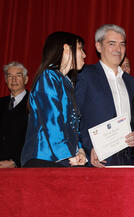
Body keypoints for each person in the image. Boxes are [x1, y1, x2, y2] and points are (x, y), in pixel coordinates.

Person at [21, 32, 87, 167]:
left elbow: (72, 125)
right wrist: (68, 155)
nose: (84, 55)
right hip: (44, 159)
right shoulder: (48, 77)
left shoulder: (67, 82)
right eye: (80, 49)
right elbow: (52, 121)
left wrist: (80, 150)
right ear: (67, 49)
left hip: (61, 160)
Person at [75, 24, 134, 167]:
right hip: (98, 159)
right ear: (98, 46)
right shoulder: (85, 75)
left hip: (128, 158)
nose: (118, 49)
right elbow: (73, 117)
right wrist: (87, 148)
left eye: (122, 44)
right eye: (112, 44)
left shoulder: (130, 81)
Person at [0, 62, 29, 168]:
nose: (13, 79)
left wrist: (16, 162)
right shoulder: (1, 103)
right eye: (10, 76)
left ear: (26, 79)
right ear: (6, 80)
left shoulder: (34, 104)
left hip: (20, 166)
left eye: (18, 76)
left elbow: (36, 139)